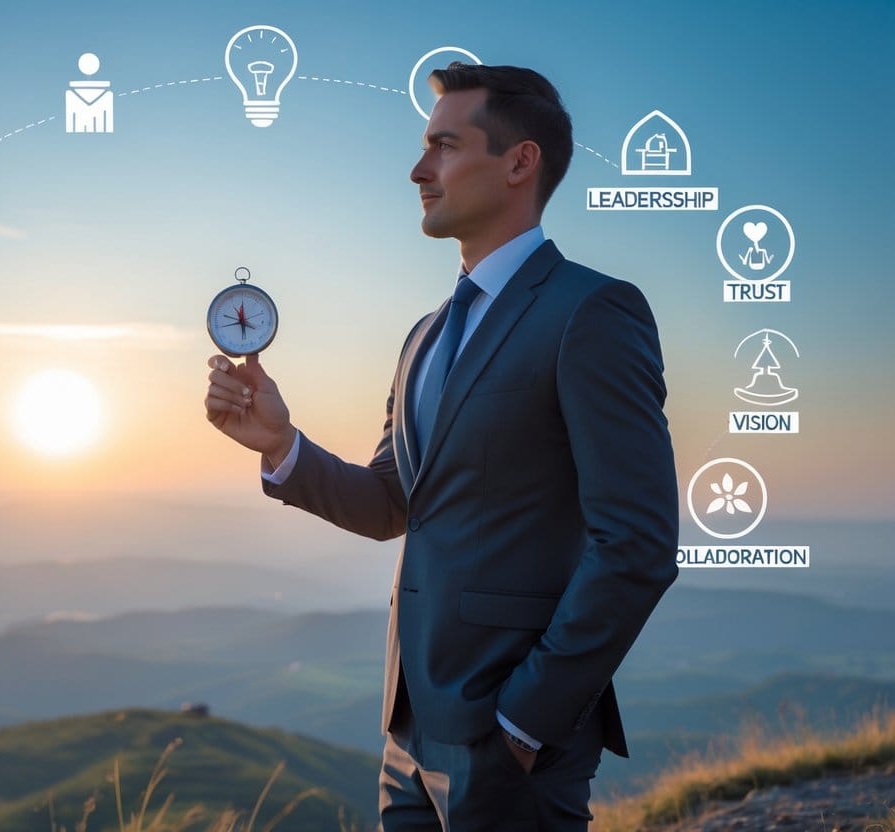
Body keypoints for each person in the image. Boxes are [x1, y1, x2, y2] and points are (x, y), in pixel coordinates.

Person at [204, 63, 679, 831]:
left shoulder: (591, 312)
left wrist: (525, 721)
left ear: (519, 162)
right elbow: (392, 504)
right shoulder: (422, 336)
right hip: (408, 729)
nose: (417, 170)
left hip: (510, 737)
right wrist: (281, 444)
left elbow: (638, 544)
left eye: (444, 146)